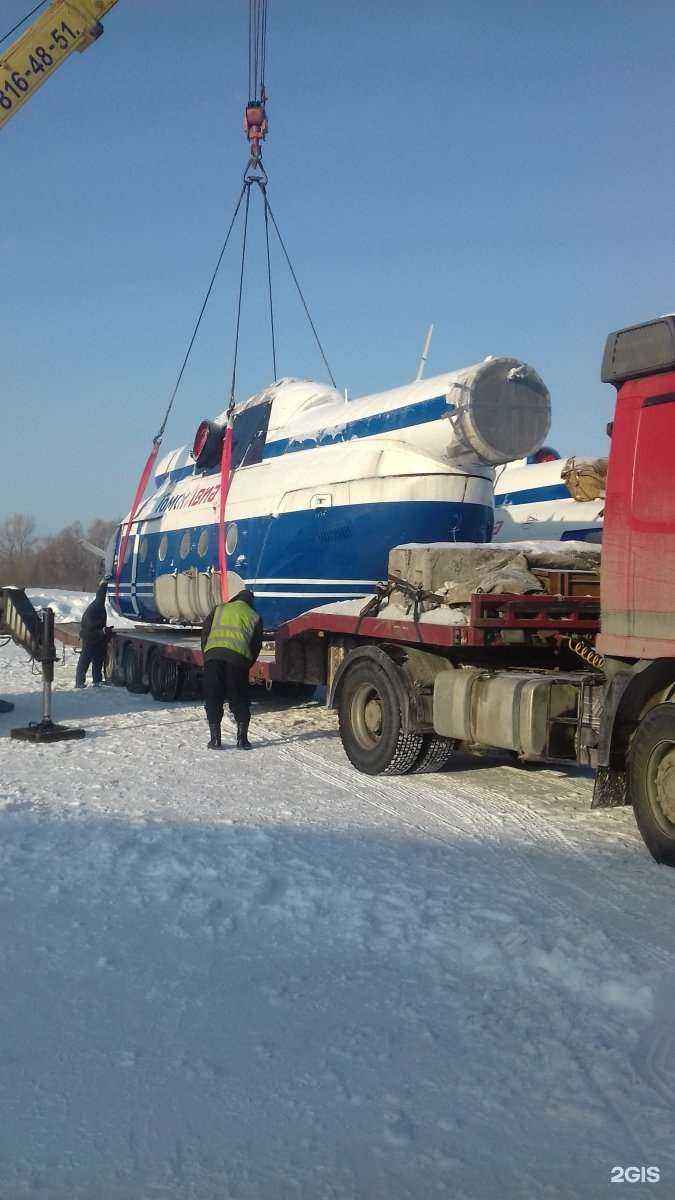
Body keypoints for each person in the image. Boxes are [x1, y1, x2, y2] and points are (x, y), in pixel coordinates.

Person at [201, 587, 263, 750]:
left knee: (213, 696)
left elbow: (205, 633)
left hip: (213, 657)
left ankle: (215, 740)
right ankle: (242, 740)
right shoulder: (254, 616)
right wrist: (246, 664)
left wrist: (207, 655)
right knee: (239, 697)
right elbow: (256, 646)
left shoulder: (219, 609)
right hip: (237, 661)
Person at [75, 580, 110, 689]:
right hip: (90, 639)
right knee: (85, 661)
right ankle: (79, 682)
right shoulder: (94, 609)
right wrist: (102, 632)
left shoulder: (98, 607)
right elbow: (89, 629)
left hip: (96, 639)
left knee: (97, 660)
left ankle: (97, 680)